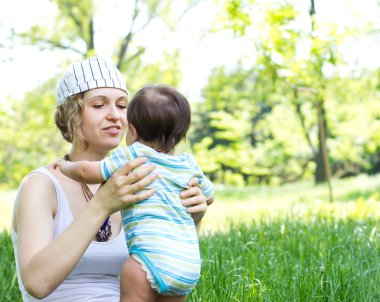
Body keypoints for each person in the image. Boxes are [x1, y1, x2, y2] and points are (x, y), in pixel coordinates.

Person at [11, 56, 210, 302]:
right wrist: (102, 204)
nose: (115, 115)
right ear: (72, 113)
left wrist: (192, 220)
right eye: (99, 105)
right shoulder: (41, 185)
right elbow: (36, 283)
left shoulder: (140, 180)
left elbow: (165, 271)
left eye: (122, 105)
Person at [54, 84, 215, 301]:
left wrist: (65, 167)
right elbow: (209, 196)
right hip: (186, 266)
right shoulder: (188, 164)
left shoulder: (134, 155)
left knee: (131, 276)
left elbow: (88, 171)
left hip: (148, 261)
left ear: (134, 130)